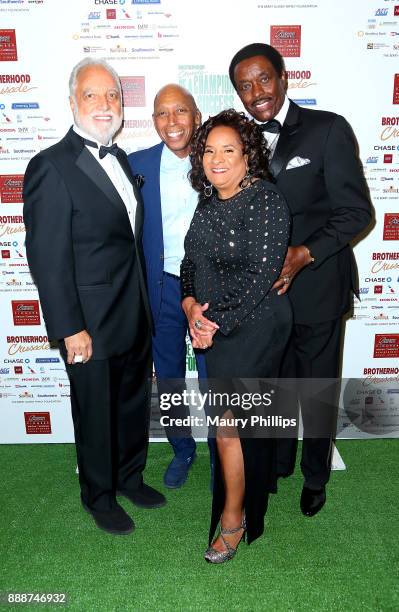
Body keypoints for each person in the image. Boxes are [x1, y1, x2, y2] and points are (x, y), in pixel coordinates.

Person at [23, 58, 165, 536]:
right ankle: (99, 496)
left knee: (130, 404)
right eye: (92, 95)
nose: (105, 105)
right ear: (71, 103)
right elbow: (47, 257)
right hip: (86, 322)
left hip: (132, 312)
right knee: (95, 413)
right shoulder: (50, 166)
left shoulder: (122, 158)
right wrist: (68, 327)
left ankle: (129, 478)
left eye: (113, 96)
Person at [229, 43, 372, 517]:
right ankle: (279, 463)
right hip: (263, 299)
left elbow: (357, 212)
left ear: (284, 77)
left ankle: (316, 475)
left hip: (317, 289)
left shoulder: (327, 129)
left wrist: (304, 254)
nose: (256, 93)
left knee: (313, 388)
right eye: (245, 86)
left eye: (263, 79)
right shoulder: (239, 140)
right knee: (273, 385)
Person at [181, 109, 292, 563]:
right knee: (232, 427)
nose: (217, 158)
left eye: (229, 149)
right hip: (216, 327)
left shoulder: (266, 200)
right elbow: (190, 263)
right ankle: (244, 499)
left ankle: (234, 520)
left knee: (232, 427)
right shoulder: (207, 203)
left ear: (249, 155)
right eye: (209, 150)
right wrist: (190, 307)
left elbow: (262, 275)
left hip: (257, 326)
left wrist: (213, 324)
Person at [128, 84, 214, 489]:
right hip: (161, 286)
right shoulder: (137, 164)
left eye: (181, 111)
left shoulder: (219, 158)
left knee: (217, 376)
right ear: (154, 121)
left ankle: (222, 453)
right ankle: (183, 449)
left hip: (211, 290)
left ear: (196, 116)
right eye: (162, 113)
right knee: (170, 377)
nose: (172, 121)